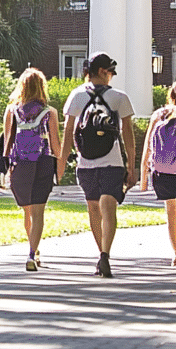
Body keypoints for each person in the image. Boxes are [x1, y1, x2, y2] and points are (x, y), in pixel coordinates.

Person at [57, 52, 136, 279]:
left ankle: (101, 252)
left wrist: (61, 163)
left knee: (93, 207)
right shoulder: (119, 97)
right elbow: (128, 135)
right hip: (113, 161)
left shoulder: (76, 95)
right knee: (108, 207)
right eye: (110, 72)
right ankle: (105, 254)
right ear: (102, 72)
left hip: (85, 162)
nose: (111, 76)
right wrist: (132, 166)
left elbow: (68, 132)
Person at [3, 67, 63, 272]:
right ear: (41, 87)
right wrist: (62, 163)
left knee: (27, 211)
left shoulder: (11, 111)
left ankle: (33, 249)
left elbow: (7, 144)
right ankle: (32, 253)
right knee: (38, 212)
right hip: (43, 162)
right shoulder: (49, 112)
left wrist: (6, 170)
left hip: (20, 164)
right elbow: (56, 147)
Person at [140, 80, 176, 267]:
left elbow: (148, 145)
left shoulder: (158, 114)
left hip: (161, 170)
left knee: (171, 211)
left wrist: (143, 175)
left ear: (171, 95)